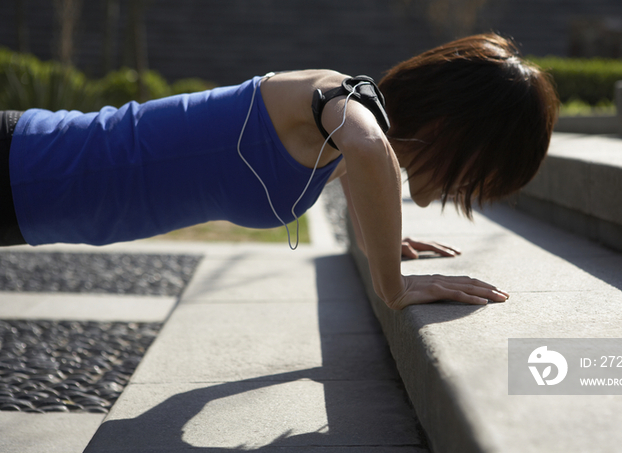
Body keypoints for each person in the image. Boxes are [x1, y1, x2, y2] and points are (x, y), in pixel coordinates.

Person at [0, 33, 558, 310]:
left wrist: (385, 240)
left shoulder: (342, 136)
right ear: (455, 129)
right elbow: (370, 154)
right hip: (24, 167)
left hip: (28, 199)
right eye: (474, 176)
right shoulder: (339, 101)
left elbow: (358, 171)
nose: (458, 193)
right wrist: (395, 287)